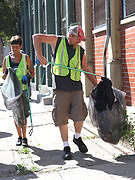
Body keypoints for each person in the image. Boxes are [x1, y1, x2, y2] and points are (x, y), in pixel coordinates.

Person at [32, 25, 98, 160]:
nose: (79, 41)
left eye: (80, 39)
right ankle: (66, 146)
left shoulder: (80, 51)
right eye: (78, 38)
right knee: (62, 118)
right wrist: (40, 56)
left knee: (79, 115)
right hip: (60, 89)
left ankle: (77, 138)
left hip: (76, 88)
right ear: (71, 35)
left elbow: (86, 69)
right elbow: (36, 37)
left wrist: (97, 84)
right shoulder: (57, 41)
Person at [2, 35, 35, 147]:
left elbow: (32, 72)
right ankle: (20, 137)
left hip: (23, 89)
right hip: (12, 92)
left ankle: (25, 137)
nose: (14, 49)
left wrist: (28, 77)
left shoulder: (26, 58)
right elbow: (3, 77)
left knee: (24, 114)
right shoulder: (6, 60)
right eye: (12, 47)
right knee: (16, 114)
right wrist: (6, 74)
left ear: (20, 46)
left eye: (16, 47)